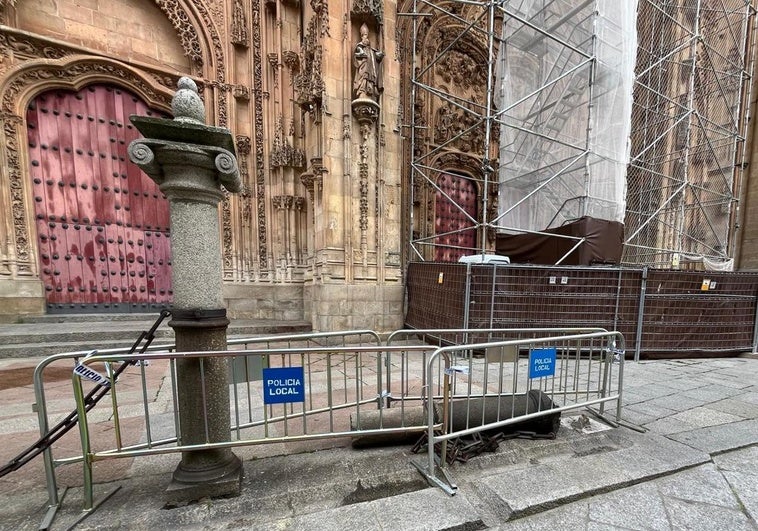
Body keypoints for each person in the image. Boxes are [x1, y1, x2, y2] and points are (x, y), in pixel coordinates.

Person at [353, 24, 384, 101]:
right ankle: (362, 90)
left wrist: (378, 56)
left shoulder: (371, 50)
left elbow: (376, 57)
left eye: (366, 35)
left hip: (370, 68)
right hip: (364, 66)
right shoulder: (359, 46)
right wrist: (362, 54)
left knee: (370, 79)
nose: (366, 37)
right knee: (364, 77)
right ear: (361, 36)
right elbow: (357, 54)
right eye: (364, 35)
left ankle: (370, 90)